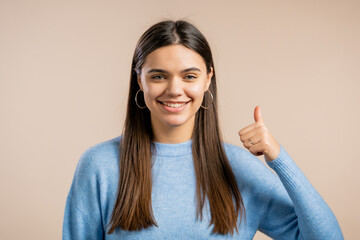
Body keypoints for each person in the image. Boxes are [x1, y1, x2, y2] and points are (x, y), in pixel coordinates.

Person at [62, 19, 344, 239]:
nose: (174, 90)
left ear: (208, 79)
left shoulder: (239, 170)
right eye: (158, 76)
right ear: (139, 80)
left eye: (189, 76)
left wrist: (279, 158)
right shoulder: (100, 166)